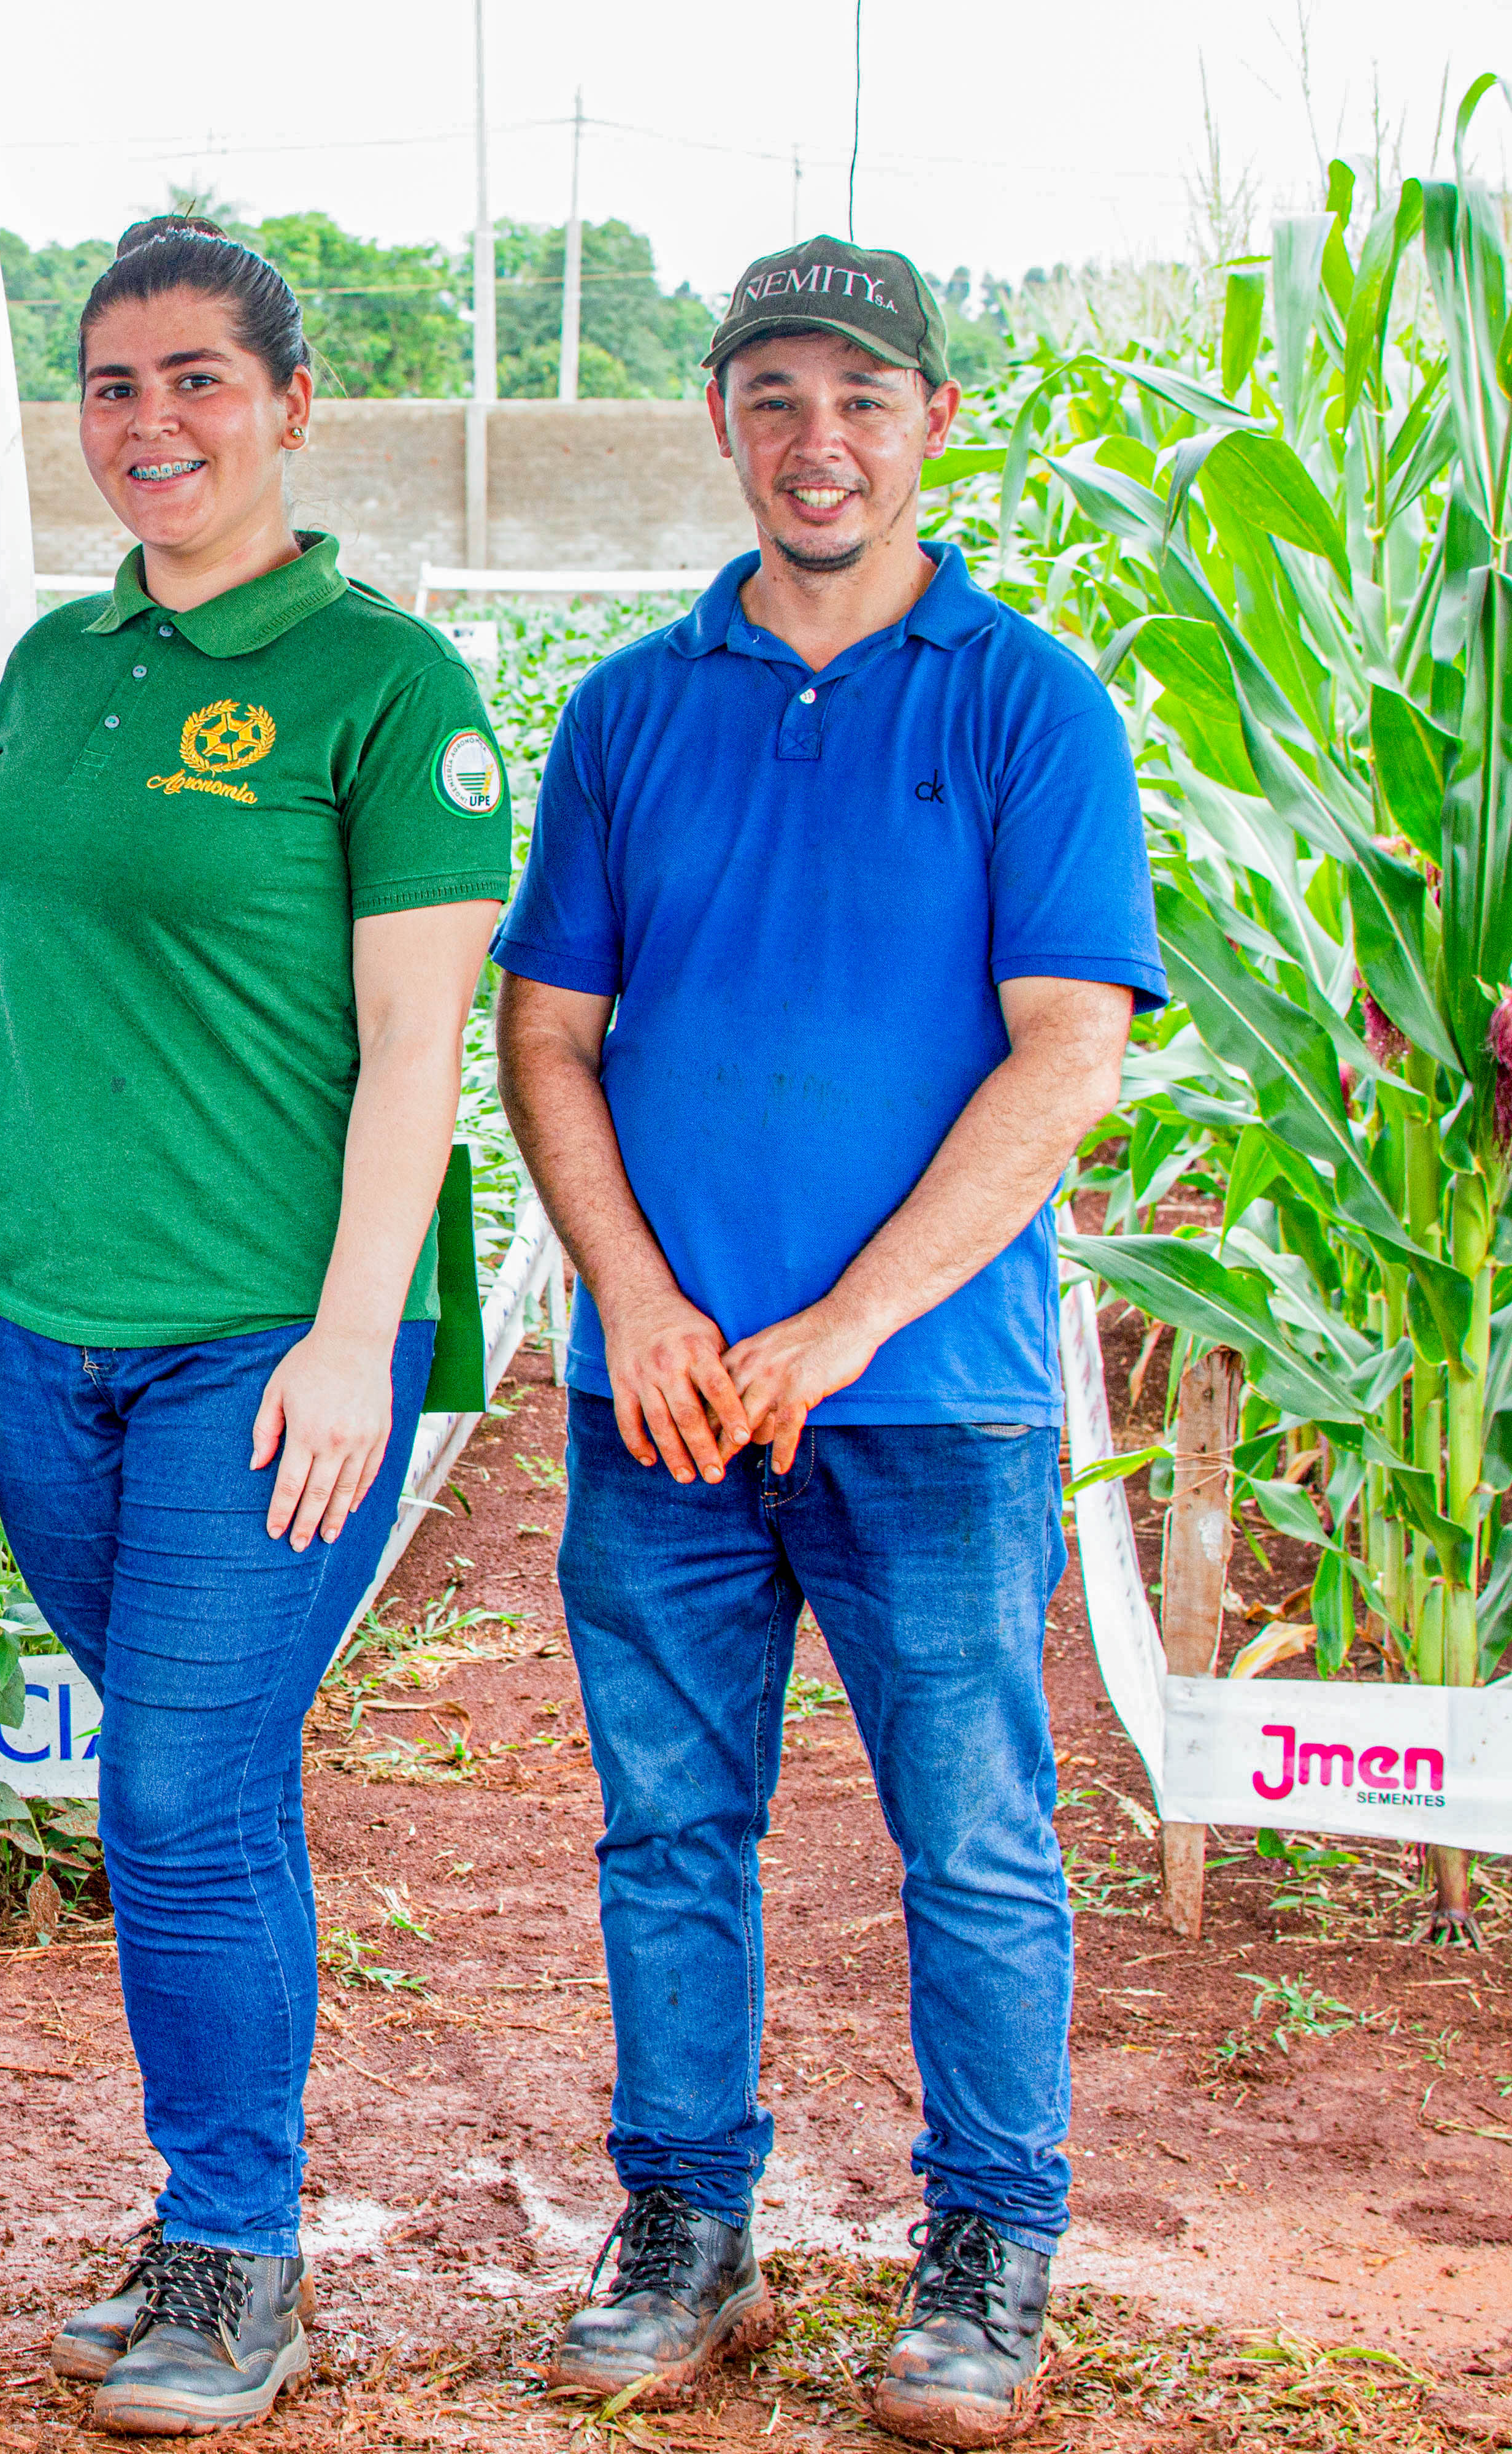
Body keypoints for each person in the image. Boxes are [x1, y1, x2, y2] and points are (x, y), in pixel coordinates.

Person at [493, 237, 1159, 2447]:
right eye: (769, 394)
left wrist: (834, 1323)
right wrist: (644, 1303)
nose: (813, 439)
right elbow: (545, 1034)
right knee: (666, 1828)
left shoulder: (1019, 700)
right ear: (715, 420)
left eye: (856, 398)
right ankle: (679, 2220)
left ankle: (985, 2246)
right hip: (657, 1399)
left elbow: (1060, 1051)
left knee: (965, 1834)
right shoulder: (626, 707)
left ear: (925, 424)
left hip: (929, 1396)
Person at [0, 217, 512, 2437]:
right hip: (30, 1327)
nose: (147, 422)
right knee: (200, 1784)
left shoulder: (385, 689)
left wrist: (346, 1339)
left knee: (175, 1789)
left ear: (288, 403)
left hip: (258, 1348)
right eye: (107, 385)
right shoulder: (44, 664)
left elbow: (415, 1051)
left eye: (194, 378)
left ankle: (236, 2244)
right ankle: (202, 2219)